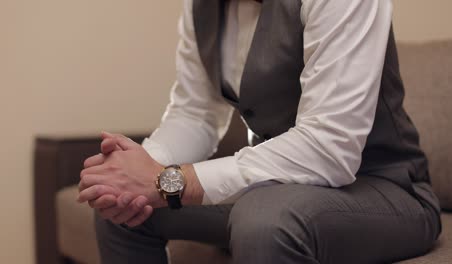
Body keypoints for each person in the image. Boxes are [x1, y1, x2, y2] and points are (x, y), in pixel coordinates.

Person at [77, 0, 442, 263]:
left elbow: (329, 148)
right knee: (120, 205)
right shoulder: (200, 7)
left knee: (264, 221)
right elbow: (196, 114)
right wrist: (135, 172)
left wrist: (168, 181)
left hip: (384, 189)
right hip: (273, 186)